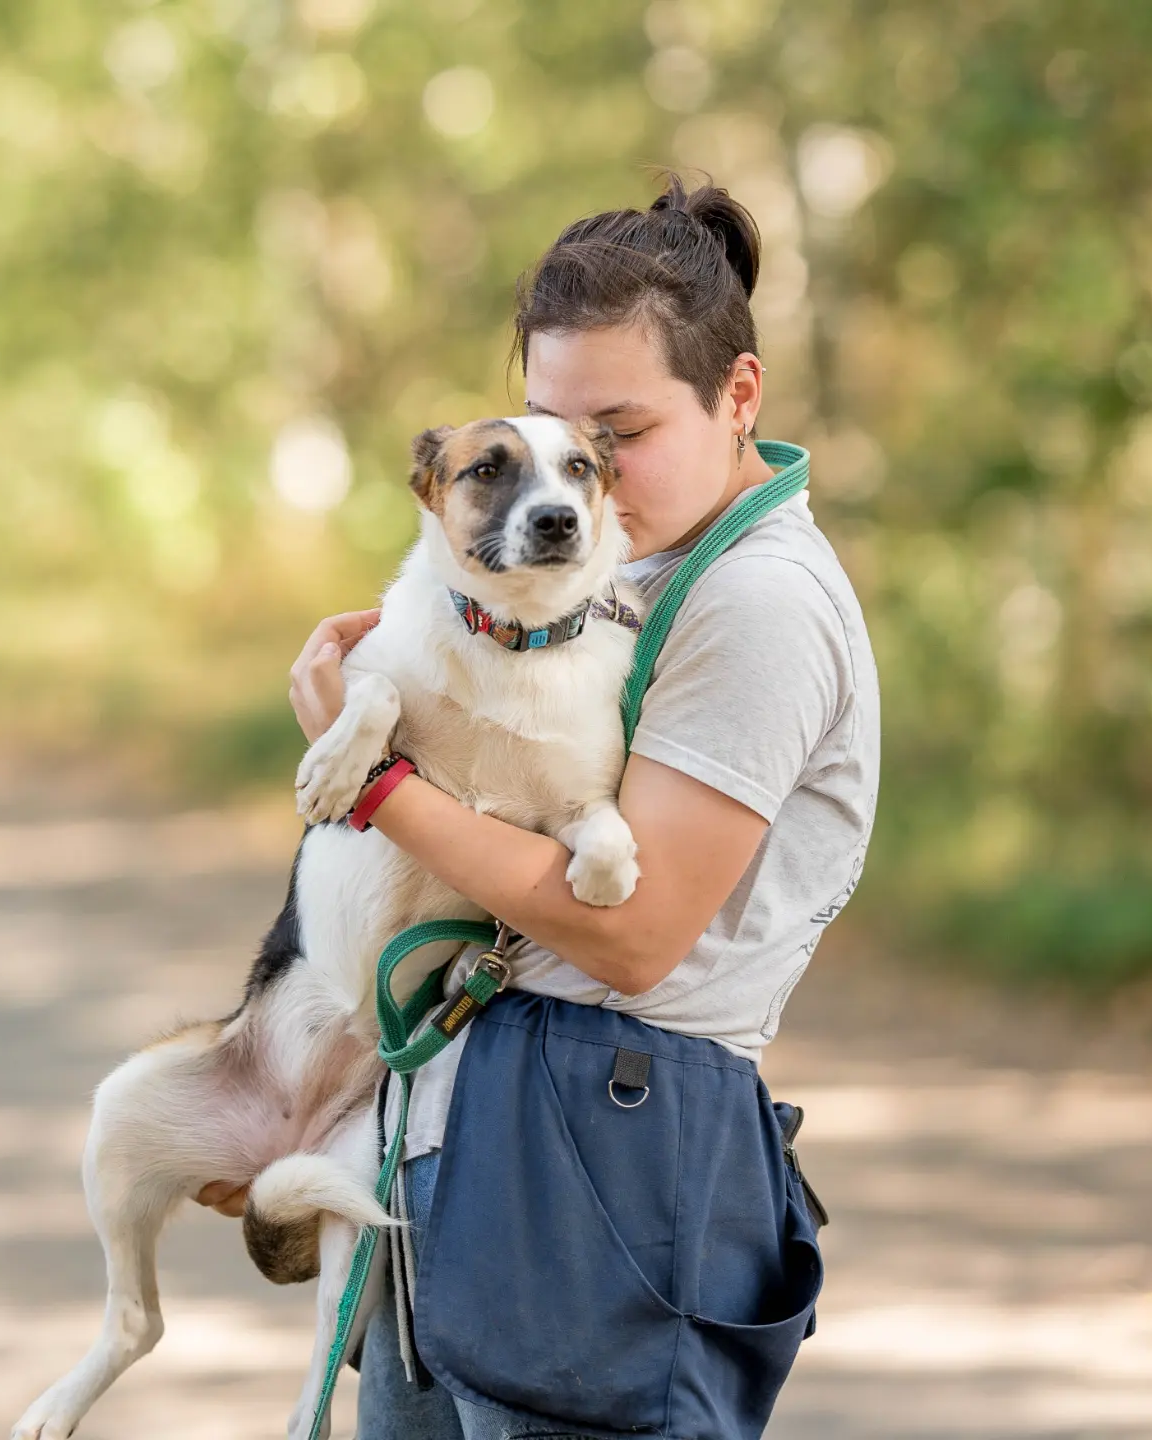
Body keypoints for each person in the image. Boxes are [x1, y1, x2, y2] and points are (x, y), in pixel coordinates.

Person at [284, 175, 880, 1440]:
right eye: (558, 433)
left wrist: (377, 783)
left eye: (622, 433)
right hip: (487, 1108)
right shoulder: (621, 565)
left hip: (614, 1141)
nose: (579, 478)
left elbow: (632, 929)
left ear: (741, 397)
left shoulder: (757, 605)